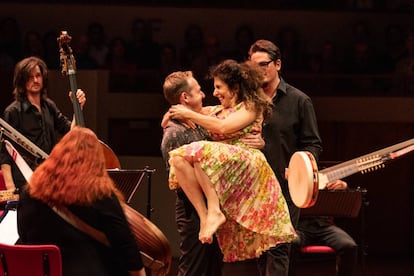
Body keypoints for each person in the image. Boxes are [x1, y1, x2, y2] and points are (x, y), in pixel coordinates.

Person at [166, 59, 297, 262]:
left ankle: (215, 210)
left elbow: (223, 127)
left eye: (219, 87)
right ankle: (206, 216)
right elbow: (180, 113)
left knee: (199, 151)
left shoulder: (251, 106)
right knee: (178, 159)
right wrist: (173, 114)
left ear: (235, 88)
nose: (215, 93)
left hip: (247, 161)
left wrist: (190, 113)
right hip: (227, 163)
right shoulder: (217, 110)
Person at [17, 126, 146, 276]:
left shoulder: (30, 192)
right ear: (96, 160)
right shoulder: (101, 196)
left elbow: (24, 237)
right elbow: (129, 255)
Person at [248, 39, 323, 276]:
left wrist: (301, 168)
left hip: (285, 187)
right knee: (259, 252)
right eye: (253, 66)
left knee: (279, 248)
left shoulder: (299, 100)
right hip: (254, 187)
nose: (258, 71)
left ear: (277, 64)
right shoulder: (248, 100)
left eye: (263, 64)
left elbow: (312, 143)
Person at [160, 70, 223, 275]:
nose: (204, 95)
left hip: (212, 204)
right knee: (194, 268)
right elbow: (178, 179)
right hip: (192, 210)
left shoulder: (199, 121)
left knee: (213, 268)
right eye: (198, 91)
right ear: (185, 98)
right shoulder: (174, 132)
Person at [0, 56, 86, 192]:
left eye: (38, 75)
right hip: (24, 181)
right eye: (30, 77)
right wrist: (10, 188)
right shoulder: (13, 111)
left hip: (48, 179)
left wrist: (78, 107)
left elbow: (71, 131)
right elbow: (5, 152)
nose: (35, 80)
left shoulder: (49, 106)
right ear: (22, 80)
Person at [293, 179, 358, 276]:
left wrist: (344, 187)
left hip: (324, 225)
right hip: (299, 226)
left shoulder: (325, 174)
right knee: (290, 243)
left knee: (349, 246)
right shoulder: (294, 175)